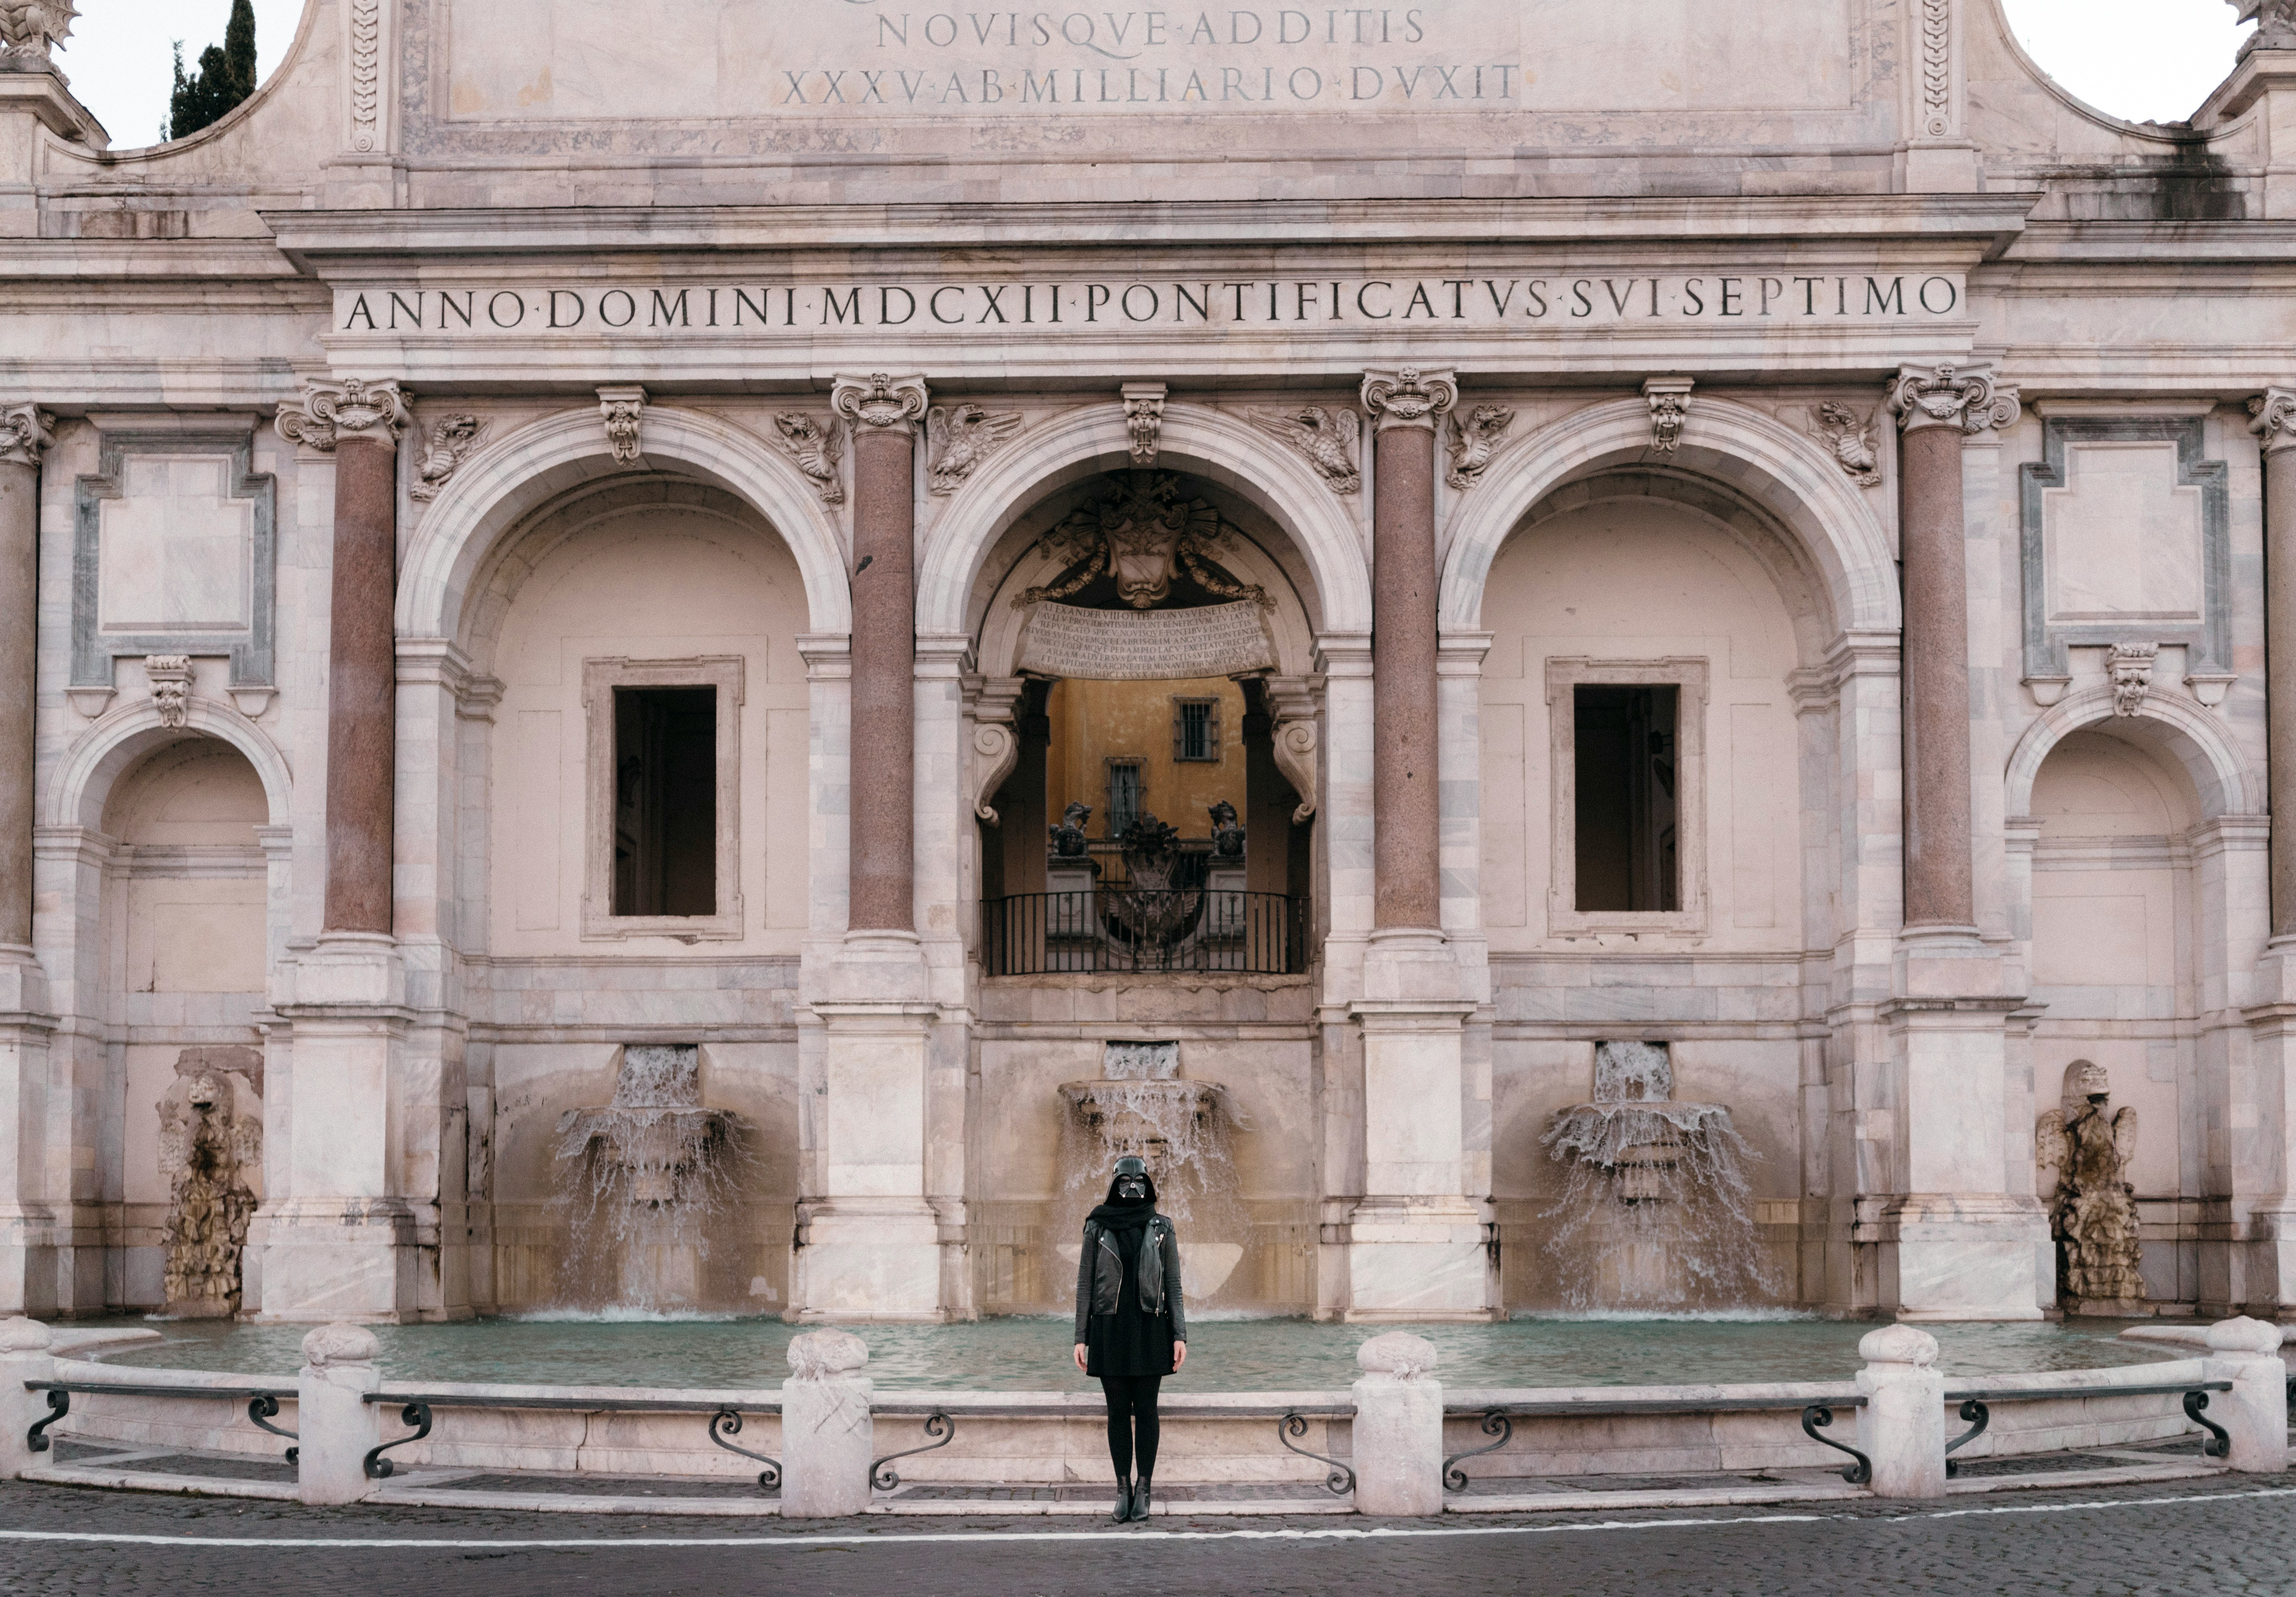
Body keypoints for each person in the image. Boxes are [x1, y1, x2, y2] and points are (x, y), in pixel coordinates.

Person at [1072, 1155, 1186, 1523]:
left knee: (1148, 1410)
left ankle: (1145, 1490)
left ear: (1149, 1185)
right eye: (1125, 1182)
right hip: (1109, 1328)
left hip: (1152, 1327)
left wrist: (1180, 1335)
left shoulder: (1162, 1227)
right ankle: (1123, 1490)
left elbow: (1173, 1285)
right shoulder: (1096, 1226)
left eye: (1139, 1182)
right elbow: (1085, 1284)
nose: (1133, 1189)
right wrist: (1080, 1337)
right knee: (1118, 1413)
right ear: (1114, 1183)